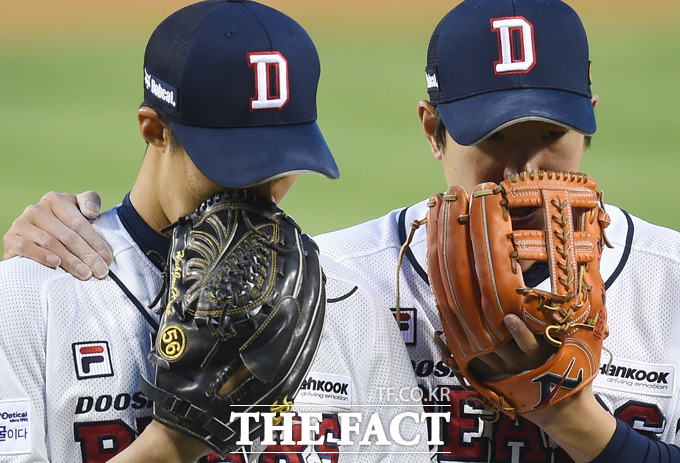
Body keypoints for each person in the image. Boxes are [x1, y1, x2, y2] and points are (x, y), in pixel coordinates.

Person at [7, 0, 680, 462]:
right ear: (432, 131)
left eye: (552, 137)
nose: (525, 172)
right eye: (495, 139)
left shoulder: (338, 304)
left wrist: (582, 425)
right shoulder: (338, 285)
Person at [0, 1, 429, 462]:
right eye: (234, 168)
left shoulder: (351, 306)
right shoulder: (28, 302)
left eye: (281, 167)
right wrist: (169, 446)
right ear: (154, 130)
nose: (259, 194)